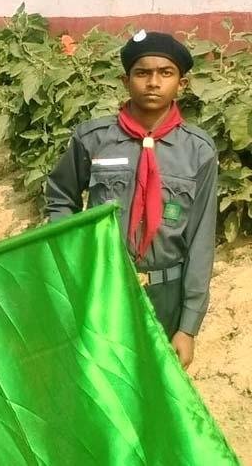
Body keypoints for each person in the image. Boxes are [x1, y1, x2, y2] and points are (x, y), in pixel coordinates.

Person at [45, 30, 217, 368]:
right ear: (126, 80)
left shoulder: (198, 151)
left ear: (181, 84)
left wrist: (188, 325)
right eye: (142, 73)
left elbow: (201, 239)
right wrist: (75, 259)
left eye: (165, 73)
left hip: (166, 294)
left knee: (155, 394)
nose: (153, 82)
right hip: (101, 286)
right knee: (99, 383)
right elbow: (61, 197)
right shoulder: (94, 139)